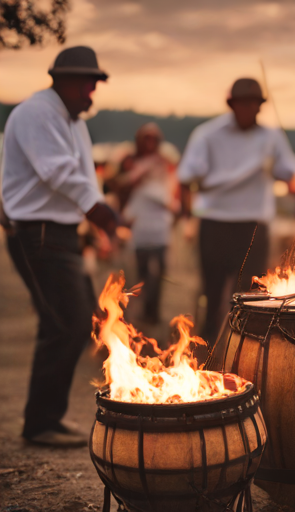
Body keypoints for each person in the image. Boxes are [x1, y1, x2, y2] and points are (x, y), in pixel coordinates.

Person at [1, 46, 119, 447]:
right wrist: (100, 212)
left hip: (60, 234)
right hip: (40, 234)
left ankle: (46, 418)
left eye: (95, 84)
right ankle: (40, 423)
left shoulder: (72, 122)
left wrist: (97, 222)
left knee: (75, 323)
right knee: (64, 325)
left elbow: (83, 177)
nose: (91, 92)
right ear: (63, 80)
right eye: (87, 83)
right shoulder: (37, 113)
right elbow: (60, 173)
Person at [178, 78, 295, 342]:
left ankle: (245, 344)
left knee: (249, 293)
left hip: (253, 227)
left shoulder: (271, 137)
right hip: (214, 223)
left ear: (260, 107)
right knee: (212, 290)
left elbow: (294, 173)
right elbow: (185, 176)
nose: (249, 109)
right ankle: (207, 344)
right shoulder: (208, 135)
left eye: (254, 104)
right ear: (232, 105)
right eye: (243, 104)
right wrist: (188, 218)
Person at [121, 123, 180, 325]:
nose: (150, 143)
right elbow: (119, 185)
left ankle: (154, 309)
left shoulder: (165, 162)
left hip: (160, 227)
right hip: (141, 226)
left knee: (160, 270)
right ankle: (146, 310)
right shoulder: (129, 161)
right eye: (146, 138)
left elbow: (173, 189)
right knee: (143, 271)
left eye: (153, 139)